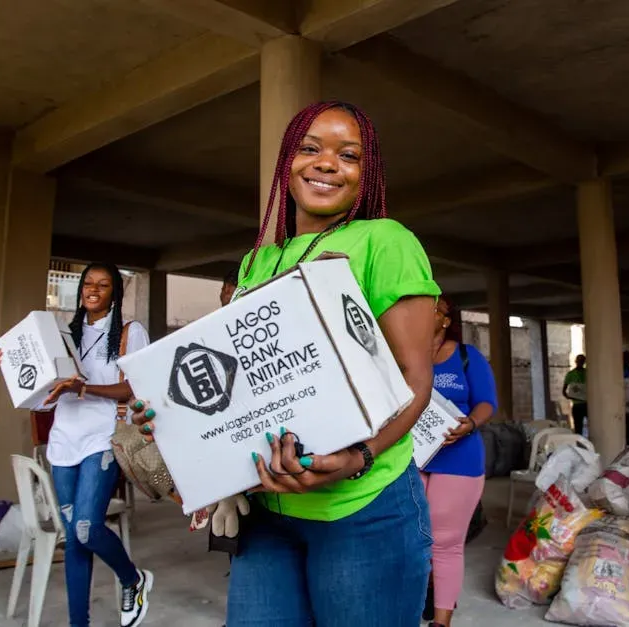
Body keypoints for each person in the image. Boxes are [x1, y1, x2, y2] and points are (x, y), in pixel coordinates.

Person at [131, 101, 440, 627]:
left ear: (367, 176)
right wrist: (172, 416)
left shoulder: (385, 241)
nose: (326, 164)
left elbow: (416, 381)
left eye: (348, 156)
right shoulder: (258, 261)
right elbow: (245, 379)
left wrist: (359, 457)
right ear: (286, 161)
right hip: (267, 512)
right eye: (310, 148)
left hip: (362, 507)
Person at [0, 262, 153, 627]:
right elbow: (42, 393)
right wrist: (9, 365)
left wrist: (84, 387)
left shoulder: (130, 332)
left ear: (115, 293)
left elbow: (132, 387)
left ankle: (133, 579)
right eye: (88, 283)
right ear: (80, 289)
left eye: (104, 284)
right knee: (75, 539)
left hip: (101, 439)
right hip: (63, 443)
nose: (93, 289)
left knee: (87, 527)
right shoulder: (64, 333)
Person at [421, 296, 496, 627]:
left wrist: (470, 423)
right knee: (412, 537)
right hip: (414, 458)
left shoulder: (467, 358)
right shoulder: (405, 355)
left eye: (432, 309)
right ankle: (422, 593)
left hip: (459, 460)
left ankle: (441, 620)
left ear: (445, 320)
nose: (423, 313)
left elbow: (486, 403)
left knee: (445, 542)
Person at [562, 354, 587, 435]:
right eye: (579, 361)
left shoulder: (588, 373)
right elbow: (564, 391)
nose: (580, 363)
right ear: (576, 361)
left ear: (584, 362)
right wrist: (571, 397)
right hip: (577, 405)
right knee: (578, 428)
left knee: (594, 426)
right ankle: (579, 445)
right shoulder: (571, 374)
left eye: (582, 361)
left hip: (588, 404)